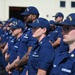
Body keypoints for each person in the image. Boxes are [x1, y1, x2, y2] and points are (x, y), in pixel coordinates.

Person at [14, 6, 40, 74]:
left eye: (27, 15)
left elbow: (29, 53)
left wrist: (18, 64)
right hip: (21, 67)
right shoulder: (27, 30)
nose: (24, 18)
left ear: (34, 16)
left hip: (26, 68)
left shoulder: (35, 31)